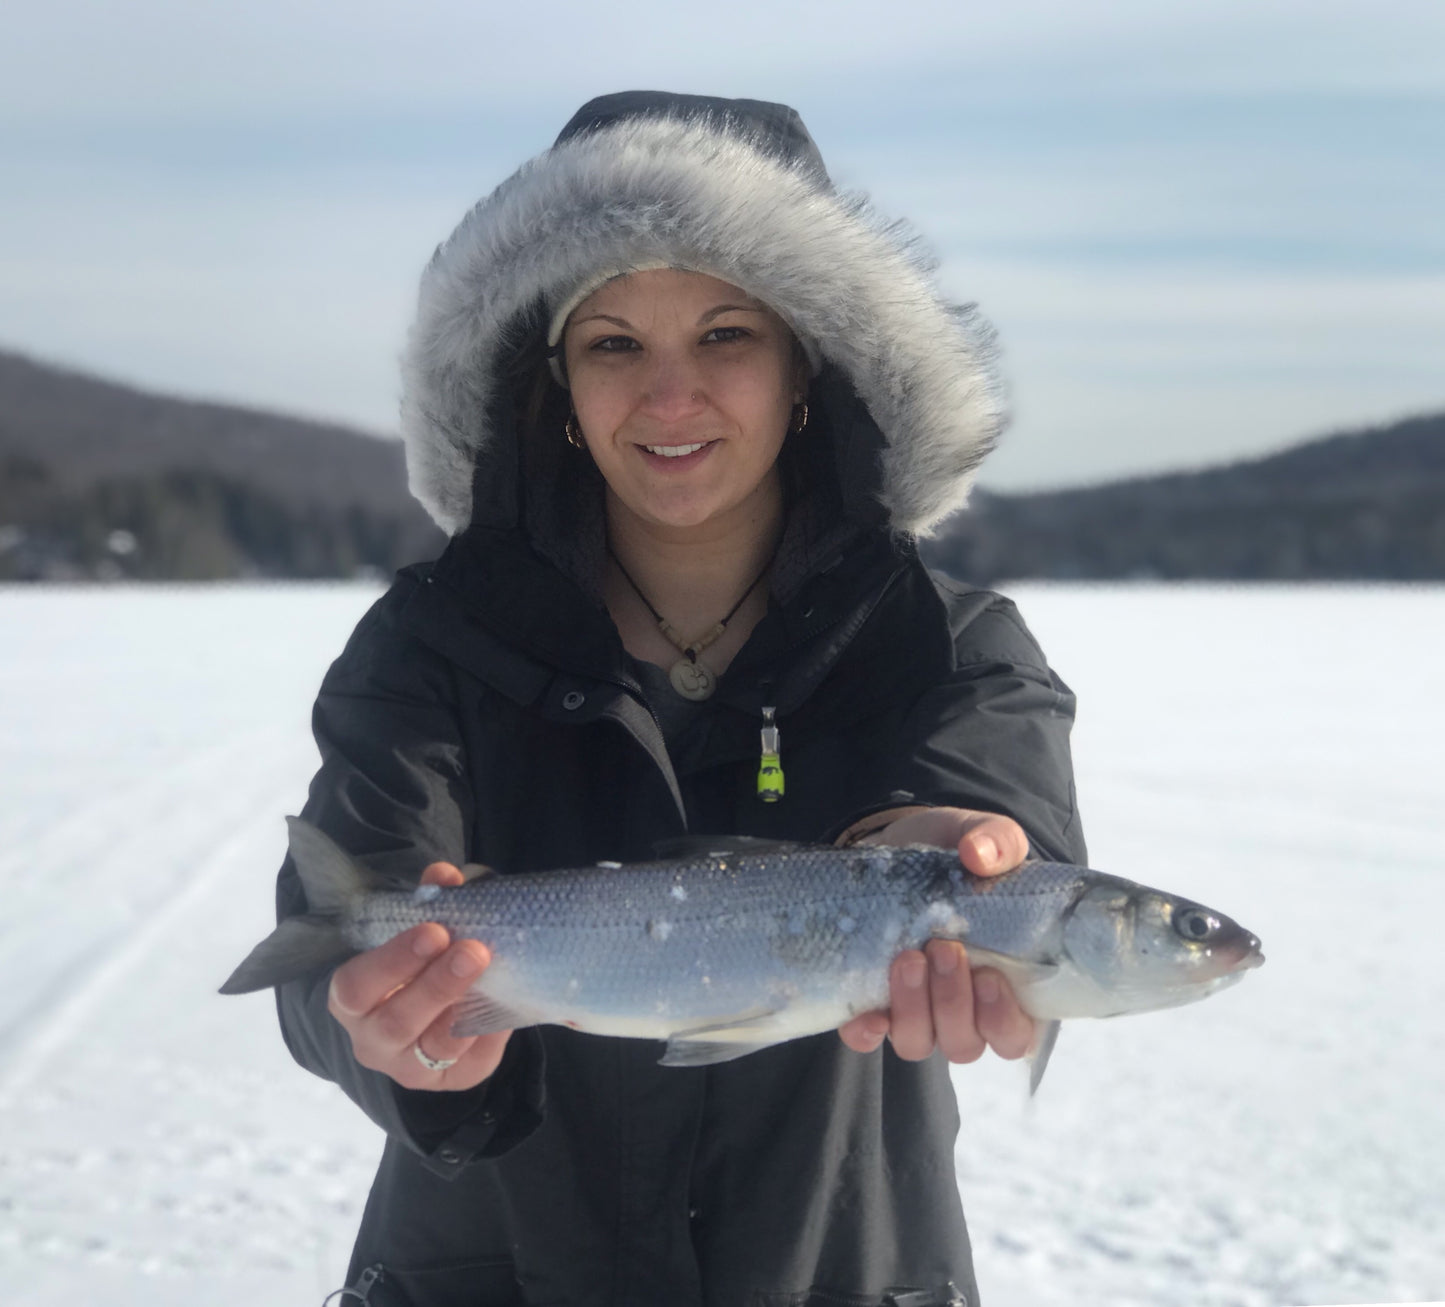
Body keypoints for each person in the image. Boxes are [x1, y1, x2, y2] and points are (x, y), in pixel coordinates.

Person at [277, 91, 1085, 1307]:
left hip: (842, 1272)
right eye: (612, 343)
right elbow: (331, 928)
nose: (668, 398)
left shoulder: (948, 643)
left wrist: (939, 856)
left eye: (724, 335)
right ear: (548, 379)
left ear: (807, 362)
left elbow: (1010, 830)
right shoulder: (433, 640)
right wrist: (383, 1031)